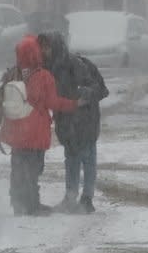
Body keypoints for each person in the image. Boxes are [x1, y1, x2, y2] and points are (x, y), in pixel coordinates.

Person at [0, 35, 81, 216]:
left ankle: (18, 203)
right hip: (34, 131)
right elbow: (53, 102)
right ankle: (32, 205)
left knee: (18, 168)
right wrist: (73, 104)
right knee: (33, 170)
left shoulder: (13, 73)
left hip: (16, 130)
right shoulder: (44, 76)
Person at [38, 32, 109, 214]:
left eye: (47, 47)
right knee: (71, 158)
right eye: (42, 47)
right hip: (67, 118)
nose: (44, 51)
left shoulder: (73, 65)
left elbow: (94, 88)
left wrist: (83, 95)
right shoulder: (49, 67)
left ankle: (86, 198)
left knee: (87, 157)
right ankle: (70, 197)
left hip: (84, 118)